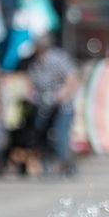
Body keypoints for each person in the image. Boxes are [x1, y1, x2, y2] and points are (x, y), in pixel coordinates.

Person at [26, 34, 79, 176]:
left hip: (62, 106)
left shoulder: (57, 59)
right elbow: (32, 85)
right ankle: (48, 163)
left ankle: (66, 165)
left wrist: (59, 95)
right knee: (40, 133)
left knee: (60, 135)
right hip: (44, 106)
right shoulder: (34, 64)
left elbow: (72, 78)